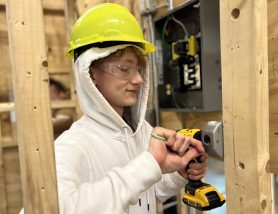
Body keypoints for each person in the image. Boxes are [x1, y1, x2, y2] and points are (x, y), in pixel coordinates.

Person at [55, 3, 207, 214]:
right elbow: (58, 209)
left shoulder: (142, 130)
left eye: (138, 69)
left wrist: (177, 172)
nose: (137, 79)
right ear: (90, 73)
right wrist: (148, 164)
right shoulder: (71, 146)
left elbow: (145, 195)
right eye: (124, 69)